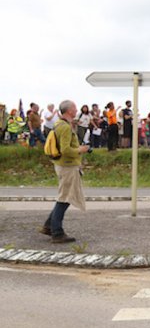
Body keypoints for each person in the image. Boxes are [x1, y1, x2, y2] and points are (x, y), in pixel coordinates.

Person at [39, 100, 90, 243]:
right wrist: (81, 150)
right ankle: (57, 232)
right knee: (65, 198)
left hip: (62, 164)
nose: (76, 109)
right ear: (69, 111)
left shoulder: (59, 124)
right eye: (74, 107)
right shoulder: (65, 127)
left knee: (66, 195)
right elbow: (66, 150)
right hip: (67, 166)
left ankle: (49, 226)